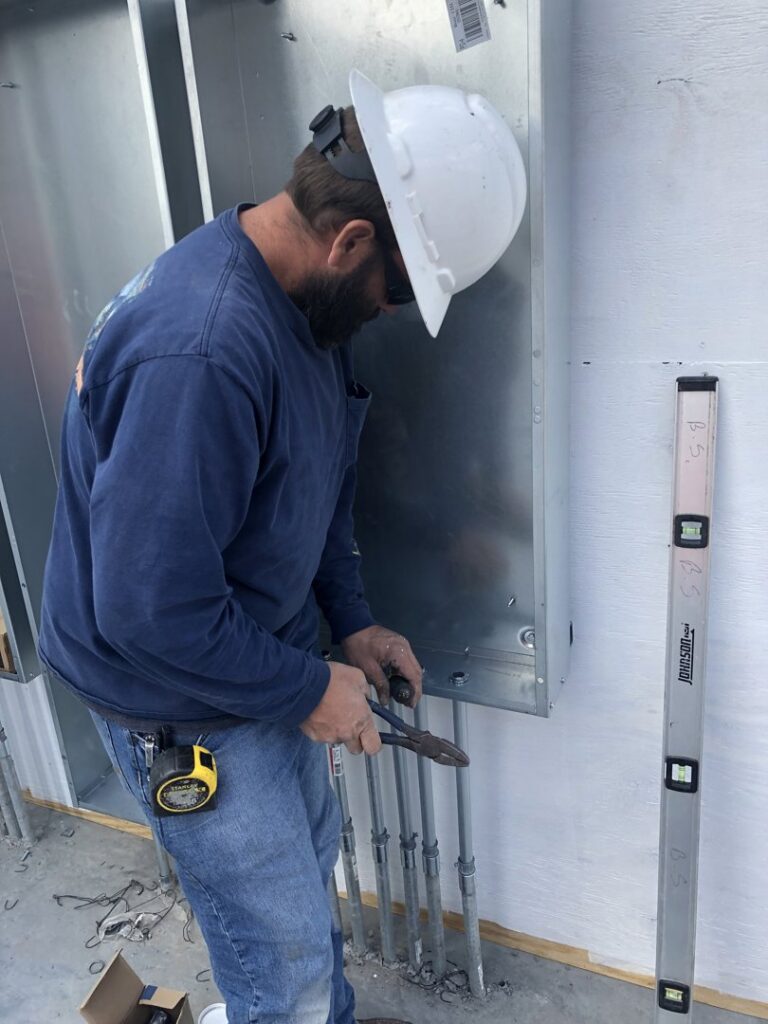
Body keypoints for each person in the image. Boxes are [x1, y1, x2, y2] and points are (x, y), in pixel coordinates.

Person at [39, 71, 527, 1024]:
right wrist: (306, 690)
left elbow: (314, 489)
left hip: (246, 654)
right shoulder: (207, 350)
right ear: (351, 241)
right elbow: (148, 611)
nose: (391, 310)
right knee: (280, 951)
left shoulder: (306, 306)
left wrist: (352, 623)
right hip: (176, 698)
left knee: (303, 892)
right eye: (396, 288)